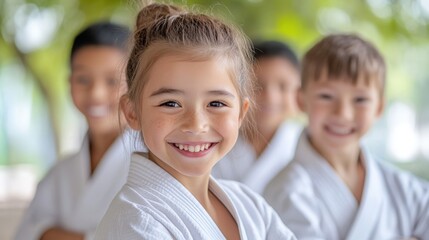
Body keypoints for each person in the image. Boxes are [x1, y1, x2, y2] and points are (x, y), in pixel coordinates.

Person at [94, 3, 296, 240]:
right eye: (170, 103)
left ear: (241, 113)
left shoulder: (250, 206)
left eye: (217, 104)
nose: (196, 124)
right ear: (132, 112)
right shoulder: (136, 223)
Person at [264, 34, 429, 240]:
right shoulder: (286, 191)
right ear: (301, 100)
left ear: (378, 108)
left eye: (360, 99)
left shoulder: (407, 189)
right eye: (326, 96)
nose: (343, 113)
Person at [15, 22, 142, 240]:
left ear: (135, 87)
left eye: (112, 80)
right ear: (70, 82)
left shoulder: (152, 163)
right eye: (83, 79)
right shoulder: (58, 175)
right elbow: (26, 233)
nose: (96, 94)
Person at [212, 40, 302, 194]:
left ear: (300, 91)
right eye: (257, 85)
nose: (271, 97)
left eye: (283, 86)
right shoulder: (215, 140)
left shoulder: (303, 145)